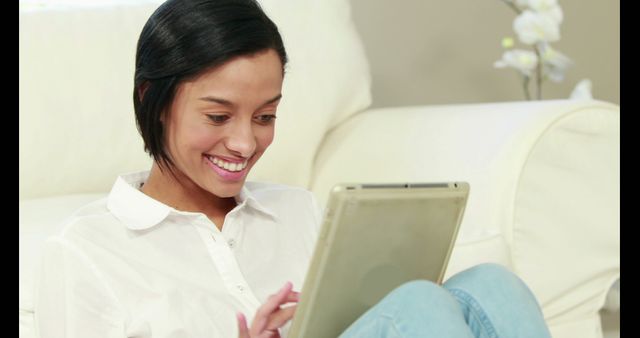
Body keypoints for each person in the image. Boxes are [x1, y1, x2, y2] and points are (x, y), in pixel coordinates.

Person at [33, 0, 553, 337]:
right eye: (218, 115)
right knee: (421, 305)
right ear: (154, 99)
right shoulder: (85, 252)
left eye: (266, 116)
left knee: (493, 284)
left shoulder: (296, 209)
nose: (243, 142)